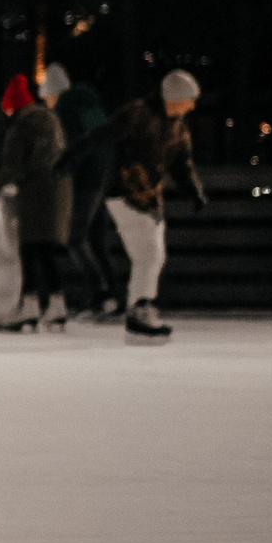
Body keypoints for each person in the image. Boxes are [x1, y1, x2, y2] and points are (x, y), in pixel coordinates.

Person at [105, 69, 206, 341]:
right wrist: (71, 160)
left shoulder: (177, 125)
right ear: (174, 97)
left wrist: (194, 192)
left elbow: (183, 164)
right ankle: (139, 313)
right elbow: (102, 136)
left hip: (150, 200)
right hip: (123, 193)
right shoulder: (139, 114)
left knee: (154, 256)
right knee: (149, 255)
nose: (192, 106)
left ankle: (141, 309)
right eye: (188, 99)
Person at [0, 72, 70, 331]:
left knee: (30, 249)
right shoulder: (50, 117)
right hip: (60, 188)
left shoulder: (22, 125)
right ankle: (56, 305)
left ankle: (30, 306)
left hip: (36, 190)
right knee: (46, 249)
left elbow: (12, 164)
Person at [46, 64, 119, 321]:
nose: (48, 104)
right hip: (103, 177)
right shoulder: (90, 105)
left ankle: (101, 295)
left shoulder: (65, 107)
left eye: (48, 98)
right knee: (96, 240)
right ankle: (111, 296)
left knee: (74, 236)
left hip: (86, 180)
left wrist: (65, 170)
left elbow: (75, 145)